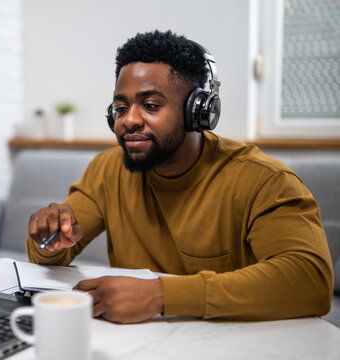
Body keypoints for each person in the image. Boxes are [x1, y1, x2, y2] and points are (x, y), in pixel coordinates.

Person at [26, 30, 334, 324]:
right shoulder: (107, 170)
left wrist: (161, 296)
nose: (129, 120)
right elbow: (55, 249)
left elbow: (310, 280)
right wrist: (48, 238)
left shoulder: (264, 180)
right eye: (121, 107)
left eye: (150, 105)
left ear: (197, 111)